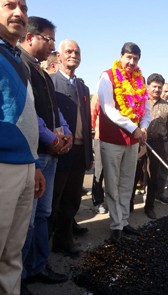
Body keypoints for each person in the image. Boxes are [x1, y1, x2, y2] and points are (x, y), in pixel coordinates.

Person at [19, 16, 72, 287]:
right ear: (30, 38)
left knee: (42, 214)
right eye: (48, 39)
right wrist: (52, 137)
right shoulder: (21, 67)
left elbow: (54, 110)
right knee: (25, 221)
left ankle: (38, 265)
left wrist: (66, 131)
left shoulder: (42, 72)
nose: (52, 46)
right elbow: (29, 114)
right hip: (33, 154)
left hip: (50, 154)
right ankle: (20, 277)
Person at [0, 1, 45, 294]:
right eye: (9, 5)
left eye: (24, 7)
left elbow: (26, 114)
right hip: (3, 167)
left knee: (12, 255)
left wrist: (36, 165)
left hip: (26, 166)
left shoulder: (17, 59)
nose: (19, 13)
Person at [98, 42, 151, 243]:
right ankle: (116, 225)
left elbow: (146, 110)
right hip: (113, 139)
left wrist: (144, 127)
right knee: (112, 183)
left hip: (133, 141)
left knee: (127, 182)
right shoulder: (107, 76)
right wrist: (133, 128)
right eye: (128, 57)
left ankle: (125, 221)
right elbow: (108, 109)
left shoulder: (140, 80)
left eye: (135, 59)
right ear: (120, 56)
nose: (131, 62)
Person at [49, 40, 93, 257]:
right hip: (60, 151)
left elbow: (88, 122)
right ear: (59, 55)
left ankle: (64, 241)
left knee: (72, 199)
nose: (73, 55)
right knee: (53, 200)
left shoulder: (83, 87)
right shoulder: (51, 82)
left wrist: (89, 152)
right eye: (69, 51)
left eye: (77, 52)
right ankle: (44, 248)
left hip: (79, 151)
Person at [145, 73, 168, 219]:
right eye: (154, 86)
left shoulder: (167, 107)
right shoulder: (140, 101)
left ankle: (149, 206)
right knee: (134, 174)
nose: (157, 89)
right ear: (148, 86)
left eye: (160, 87)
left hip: (157, 143)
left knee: (153, 176)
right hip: (140, 142)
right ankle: (129, 205)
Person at [90, 94, 107, 214]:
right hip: (100, 138)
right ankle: (98, 200)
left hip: (116, 140)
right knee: (99, 171)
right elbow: (91, 117)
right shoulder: (98, 96)